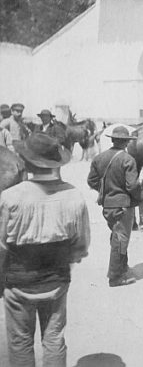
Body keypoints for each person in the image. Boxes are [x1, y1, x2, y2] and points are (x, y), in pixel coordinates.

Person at [0, 133, 90, 367]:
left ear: (25, 162)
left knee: (20, 343)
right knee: (54, 339)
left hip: (18, 283)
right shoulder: (74, 196)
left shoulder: (9, 198)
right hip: (56, 281)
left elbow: (1, 246)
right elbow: (81, 246)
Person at [87, 126, 142, 287]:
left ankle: (121, 267)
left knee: (117, 235)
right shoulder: (128, 159)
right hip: (123, 206)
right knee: (121, 238)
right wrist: (139, 197)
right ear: (126, 142)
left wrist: (106, 191)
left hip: (107, 205)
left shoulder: (99, 158)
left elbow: (91, 181)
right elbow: (132, 186)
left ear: (112, 140)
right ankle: (115, 277)